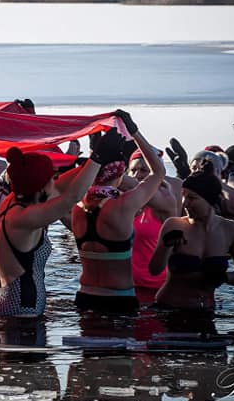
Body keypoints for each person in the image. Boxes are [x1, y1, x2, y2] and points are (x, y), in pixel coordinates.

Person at [0, 127, 126, 318]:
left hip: (11, 304)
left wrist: (100, 159)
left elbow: (62, 184)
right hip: (21, 311)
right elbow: (71, 197)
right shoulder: (23, 218)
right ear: (41, 186)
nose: (55, 179)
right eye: (51, 177)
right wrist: (98, 158)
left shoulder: (14, 202)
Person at [70, 110, 165, 313]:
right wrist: (135, 132)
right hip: (118, 298)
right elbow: (159, 172)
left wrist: (95, 154)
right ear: (122, 172)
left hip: (85, 296)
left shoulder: (77, 207)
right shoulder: (122, 205)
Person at [148, 167, 234, 311]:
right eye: (183, 196)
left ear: (209, 199)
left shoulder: (230, 229)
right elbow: (154, 270)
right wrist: (166, 245)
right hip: (169, 308)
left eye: (192, 198)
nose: (185, 203)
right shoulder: (174, 225)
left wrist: (224, 277)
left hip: (207, 310)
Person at [128, 147, 182, 304]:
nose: (137, 175)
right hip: (128, 287)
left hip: (158, 288)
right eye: (133, 170)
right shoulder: (125, 204)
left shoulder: (165, 203)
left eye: (143, 170)